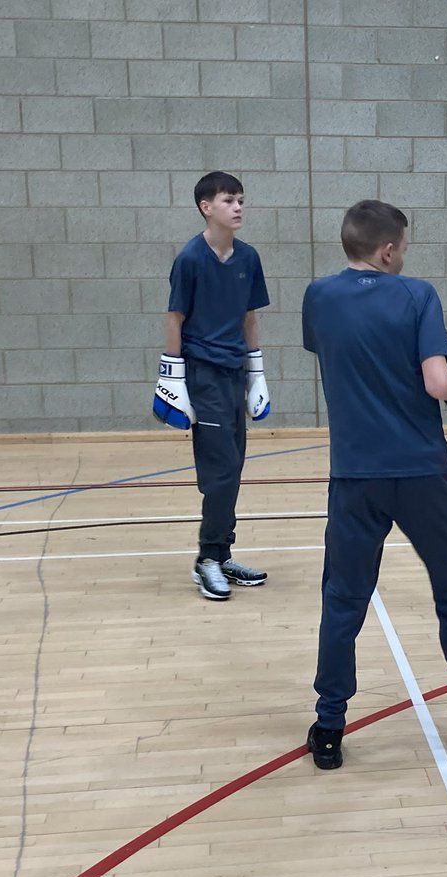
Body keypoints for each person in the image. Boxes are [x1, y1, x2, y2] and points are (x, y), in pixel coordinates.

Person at [301, 199, 447, 769]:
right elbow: (438, 382)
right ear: (389, 249)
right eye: (403, 249)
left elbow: (335, 350)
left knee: (343, 599)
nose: (404, 257)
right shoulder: (418, 295)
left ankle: (330, 725)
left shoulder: (318, 297)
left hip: (355, 475)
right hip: (422, 472)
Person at [154, 171, 271, 601]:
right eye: (228, 200)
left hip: (235, 372)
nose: (238, 207)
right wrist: (173, 379)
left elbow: (250, 317)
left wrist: (257, 374)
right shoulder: (189, 258)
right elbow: (174, 319)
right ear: (207, 207)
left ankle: (221, 556)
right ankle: (206, 560)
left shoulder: (249, 258)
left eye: (241, 199)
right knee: (220, 472)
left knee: (233, 467)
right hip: (202, 375)